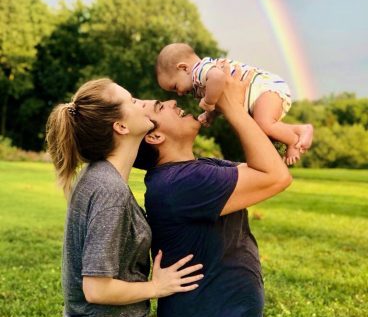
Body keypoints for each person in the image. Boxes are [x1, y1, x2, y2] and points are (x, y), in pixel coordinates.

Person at [133, 64, 292, 317]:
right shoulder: (182, 183)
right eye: (161, 107)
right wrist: (231, 106)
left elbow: (267, 165)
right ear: (154, 137)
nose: (174, 102)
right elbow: (275, 178)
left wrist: (259, 111)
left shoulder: (196, 169)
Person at [45, 78, 204, 317]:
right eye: (132, 101)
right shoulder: (109, 188)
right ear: (121, 126)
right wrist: (156, 287)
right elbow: (96, 289)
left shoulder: (98, 175)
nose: (141, 104)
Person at [155, 42, 314, 165]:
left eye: (175, 87)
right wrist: (211, 114)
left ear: (183, 68)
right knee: (262, 128)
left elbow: (218, 78)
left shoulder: (200, 70)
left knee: (264, 124)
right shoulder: (201, 83)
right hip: (260, 94)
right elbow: (223, 97)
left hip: (265, 88)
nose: (180, 93)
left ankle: (293, 141)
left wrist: (209, 103)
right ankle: (300, 129)